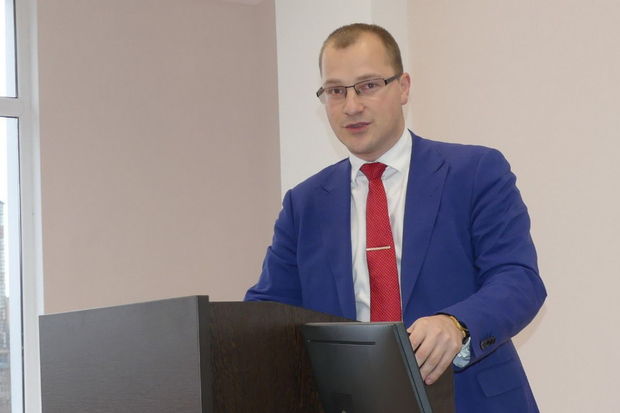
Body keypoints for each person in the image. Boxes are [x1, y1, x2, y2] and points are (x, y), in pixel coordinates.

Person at [245, 23, 546, 412]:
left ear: (403, 87)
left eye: (368, 85)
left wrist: (456, 324)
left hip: (469, 400)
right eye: (335, 91)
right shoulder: (304, 205)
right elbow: (268, 313)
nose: (351, 106)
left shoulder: (474, 172)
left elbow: (518, 279)